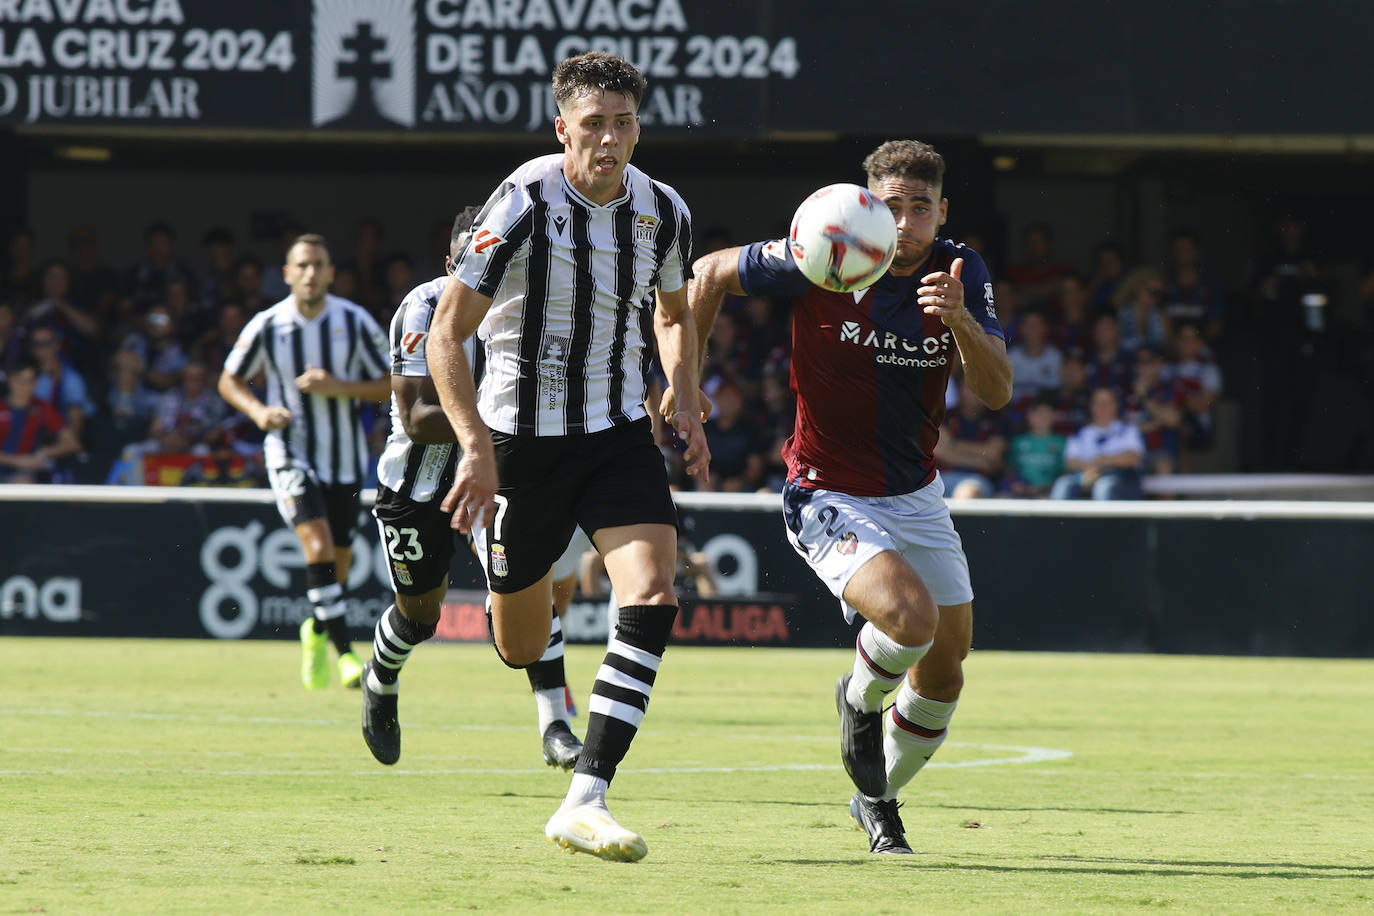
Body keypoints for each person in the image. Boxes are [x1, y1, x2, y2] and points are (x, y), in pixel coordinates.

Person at [681, 139, 1011, 855]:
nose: (907, 222)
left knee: (945, 672)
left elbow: (996, 391)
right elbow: (704, 275)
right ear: (868, 206)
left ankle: (876, 798)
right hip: (825, 488)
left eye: (921, 208)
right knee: (910, 619)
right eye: (892, 206)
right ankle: (858, 699)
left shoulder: (962, 270)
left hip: (917, 494)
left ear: (941, 211)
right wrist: (685, 385)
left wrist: (959, 320)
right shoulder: (824, 246)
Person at [426, 52, 708, 863]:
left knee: (652, 592)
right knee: (521, 639)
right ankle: (527, 596)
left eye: (624, 123)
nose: (611, 139)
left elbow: (674, 309)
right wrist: (476, 447)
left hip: (616, 433)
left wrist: (683, 390)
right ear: (563, 129)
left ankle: (586, 796)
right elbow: (449, 334)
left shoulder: (663, 209)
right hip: (520, 443)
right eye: (594, 124)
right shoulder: (521, 201)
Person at [362, 207, 585, 772]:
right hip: (415, 485)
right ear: (449, 262)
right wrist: (493, 426)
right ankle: (381, 680)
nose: (479, 266)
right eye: (467, 256)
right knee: (419, 617)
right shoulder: (421, 305)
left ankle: (555, 724)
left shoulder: (529, 310)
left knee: (522, 584)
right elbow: (414, 416)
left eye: (490, 255)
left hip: (499, 478)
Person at [218, 233, 391, 690]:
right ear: (288, 274)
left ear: (332, 273)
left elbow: (394, 381)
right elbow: (228, 379)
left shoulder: (354, 322)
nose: (311, 273)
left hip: (346, 459)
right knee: (316, 548)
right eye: (303, 265)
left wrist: (341, 387)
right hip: (288, 451)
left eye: (319, 265)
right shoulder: (268, 324)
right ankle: (348, 656)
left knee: (341, 564)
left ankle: (315, 629)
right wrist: (258, 412)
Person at [1049, 386, 1145, 500]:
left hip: (1120, 479)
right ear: (1091, 406)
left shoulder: (1128, 430)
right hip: (1086, 476)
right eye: (1097, 402)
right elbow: (1070, 461)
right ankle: (1060, 519)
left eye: (1106, 402)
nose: (1102, 407)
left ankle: (1104, 519)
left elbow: (1133, 458)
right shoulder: (1079, 433)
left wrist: (1103, 462)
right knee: (1063, 484)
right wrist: (1090, 468)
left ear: (1115, 406)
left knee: (1104, 486)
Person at [0, 357, 81, 483]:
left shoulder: (42, 408)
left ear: (36, 383)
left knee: (23, 482)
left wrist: (45, 452)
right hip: (11, 465)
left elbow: (72, 443)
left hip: (25, 475)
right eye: (19, 380)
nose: (23, 386)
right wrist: (17, 461)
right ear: (10, 380)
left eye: (28, 381)